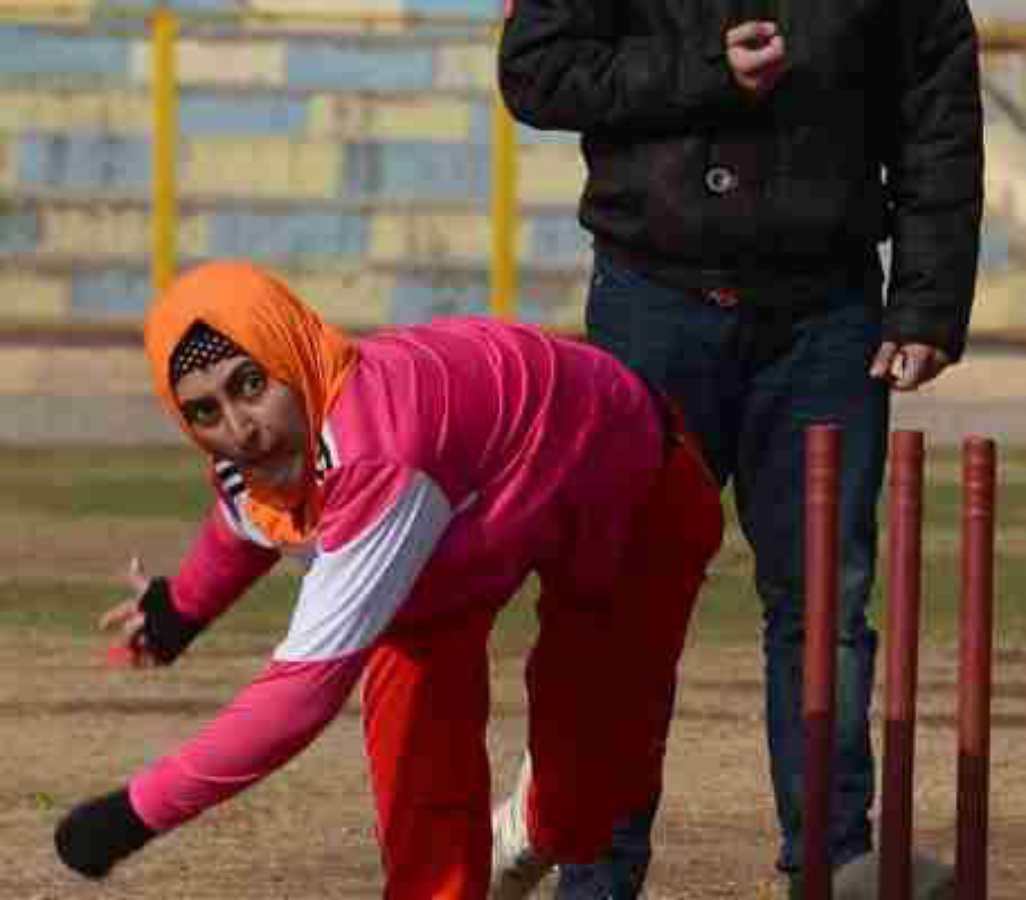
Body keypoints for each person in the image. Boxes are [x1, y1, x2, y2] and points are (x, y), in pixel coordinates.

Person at [499, 0, 983, 896]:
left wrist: (928, 302)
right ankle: (597, 872)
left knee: (824, 607)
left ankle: (832, 867)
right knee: (619, 603)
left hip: (826, 316)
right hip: (654, 301)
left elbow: (938, 110)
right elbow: (536, 73)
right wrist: (703, 71)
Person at [51, 260, 723, 900]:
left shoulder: (377, 458)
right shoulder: (267, 444)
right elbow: (246, 519)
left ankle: (522, 832)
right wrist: (180, 610)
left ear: (290, 350)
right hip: (465, 511)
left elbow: (301, 697)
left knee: (578, 814)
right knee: (415, 739)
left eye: (250, 384)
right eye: (204, 411)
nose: (239, 429)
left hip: (626, 485)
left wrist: (133, 814)